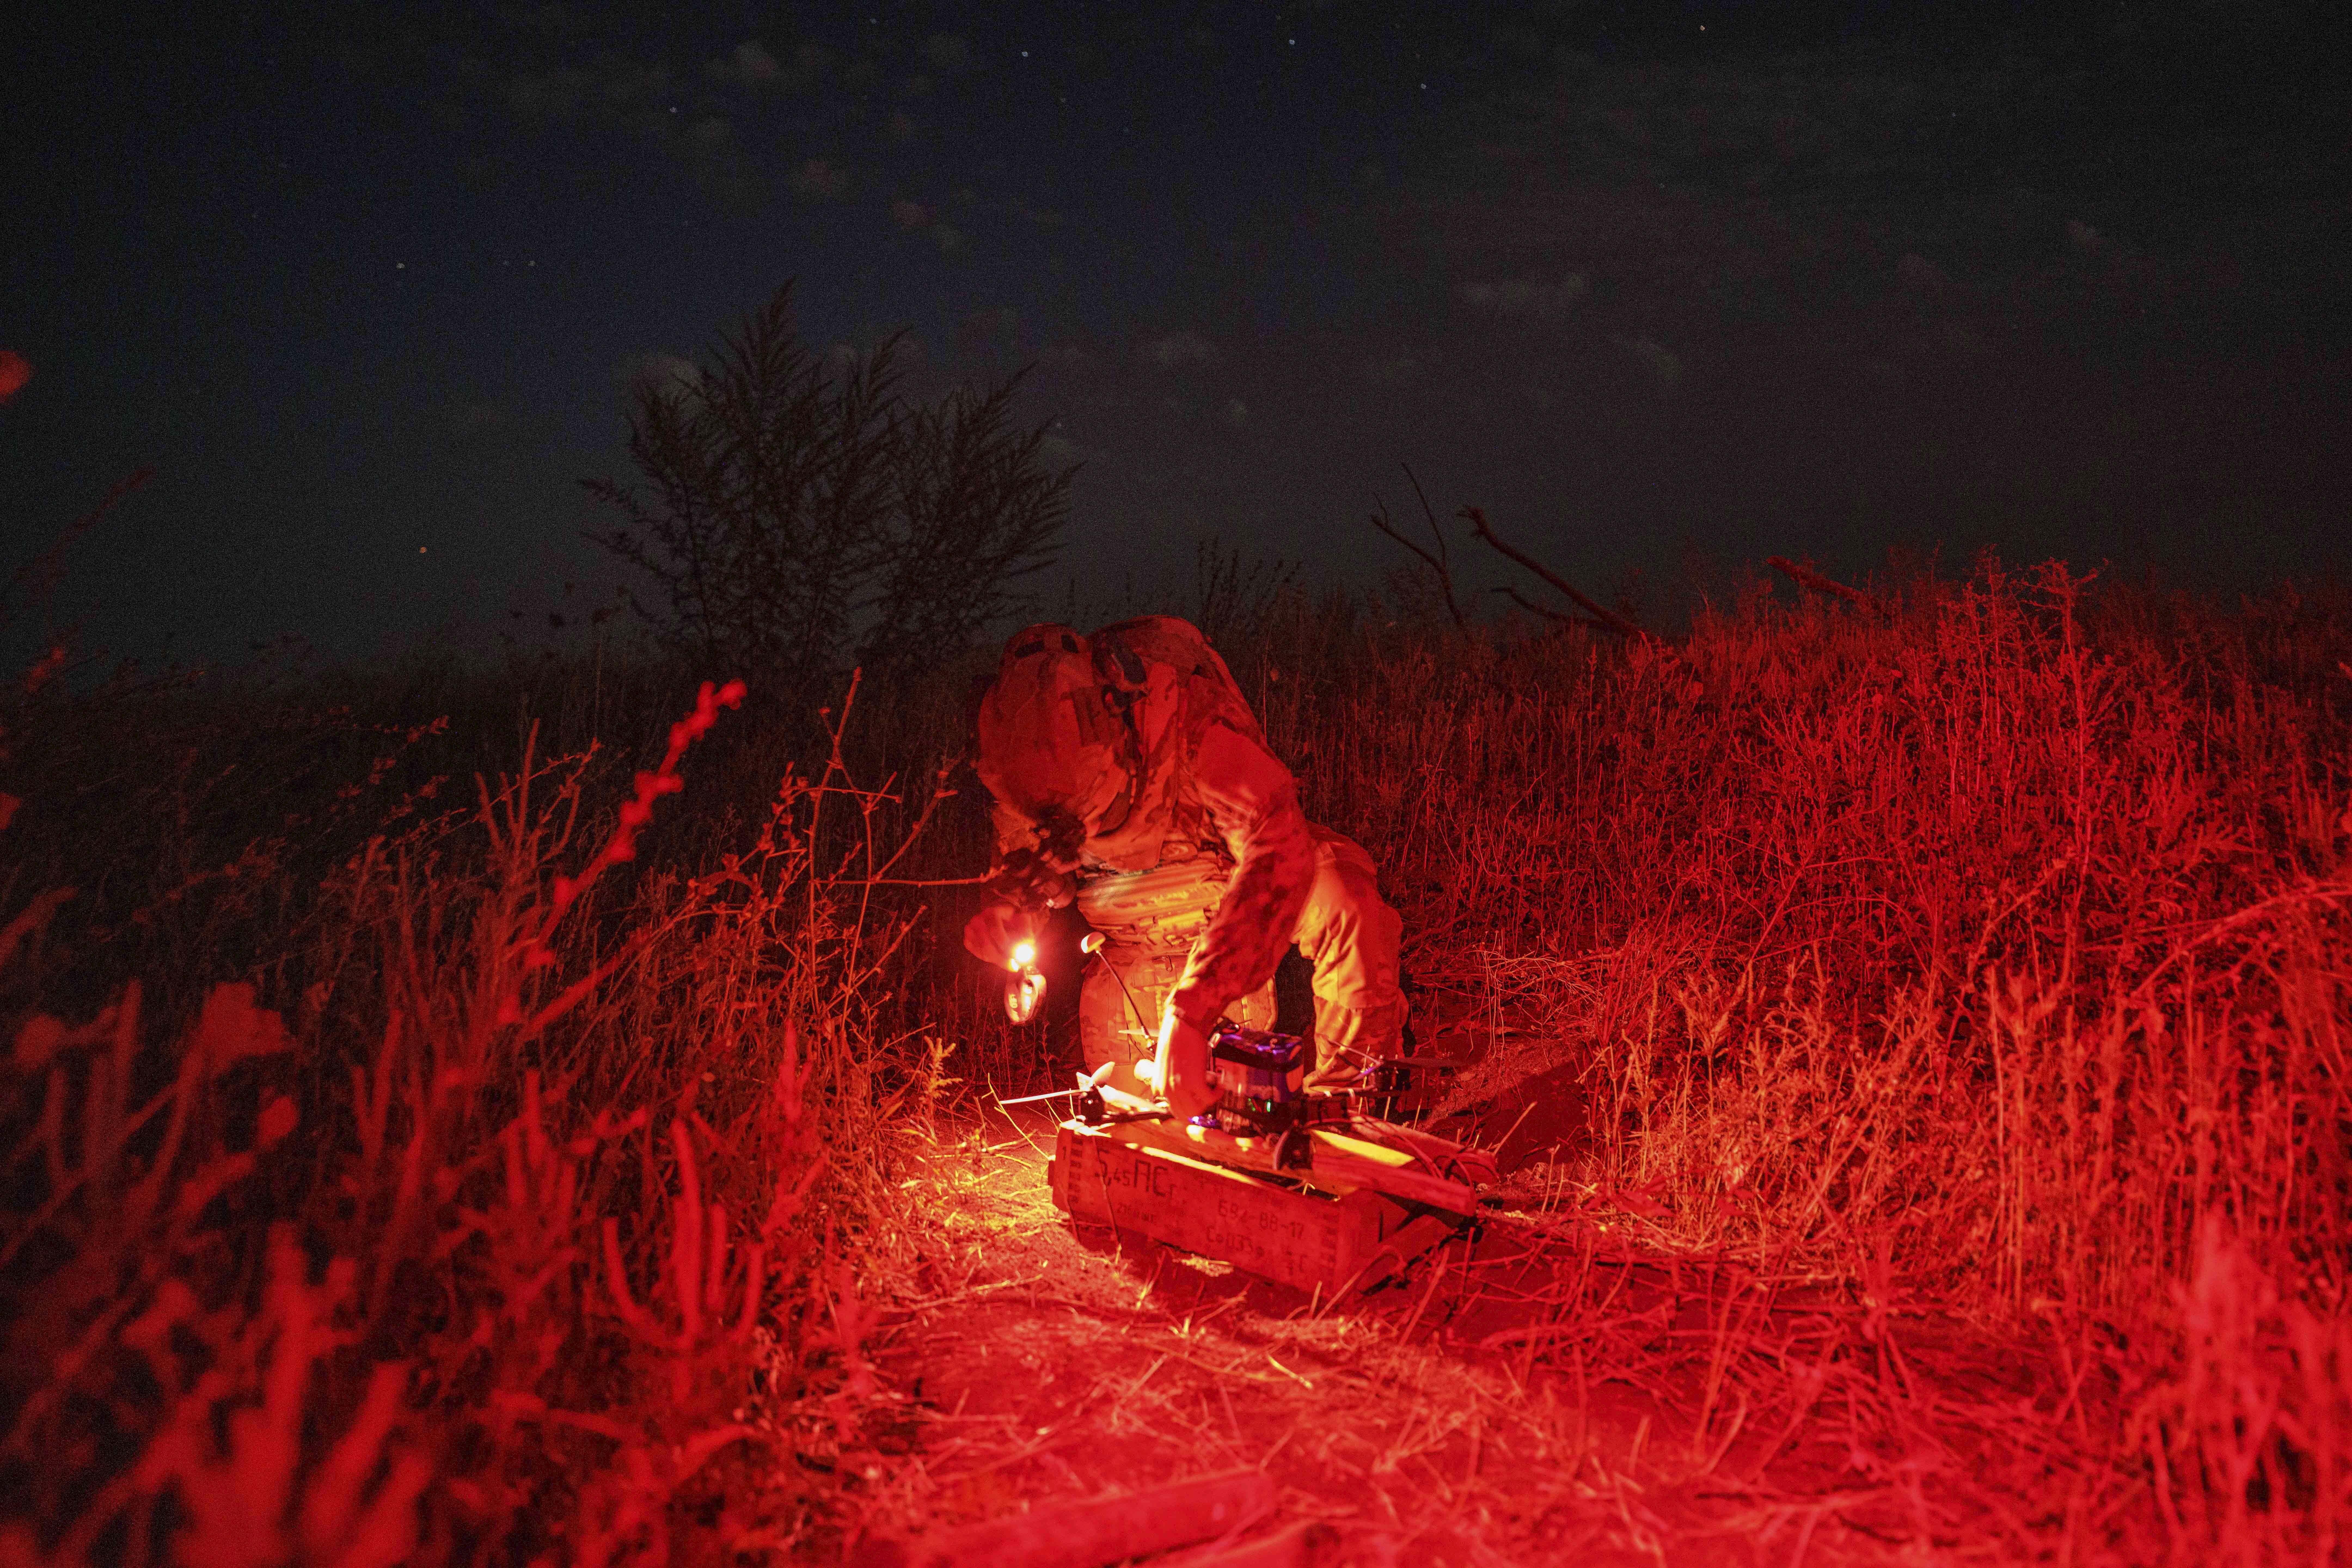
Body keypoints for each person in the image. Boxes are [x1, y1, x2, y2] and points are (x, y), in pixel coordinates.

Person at [963, 615, 1405, 1118]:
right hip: (1126, 948)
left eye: (1094, 808)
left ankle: (1351, 1106)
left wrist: (1195, 1010)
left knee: (1343, 896)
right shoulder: (1025, 764)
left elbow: (1279, 848)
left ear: (1122, 725)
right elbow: (1023, 878)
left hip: (1226, 904)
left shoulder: (1191, 721)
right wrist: (1010, 915)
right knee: (1155, 1131)